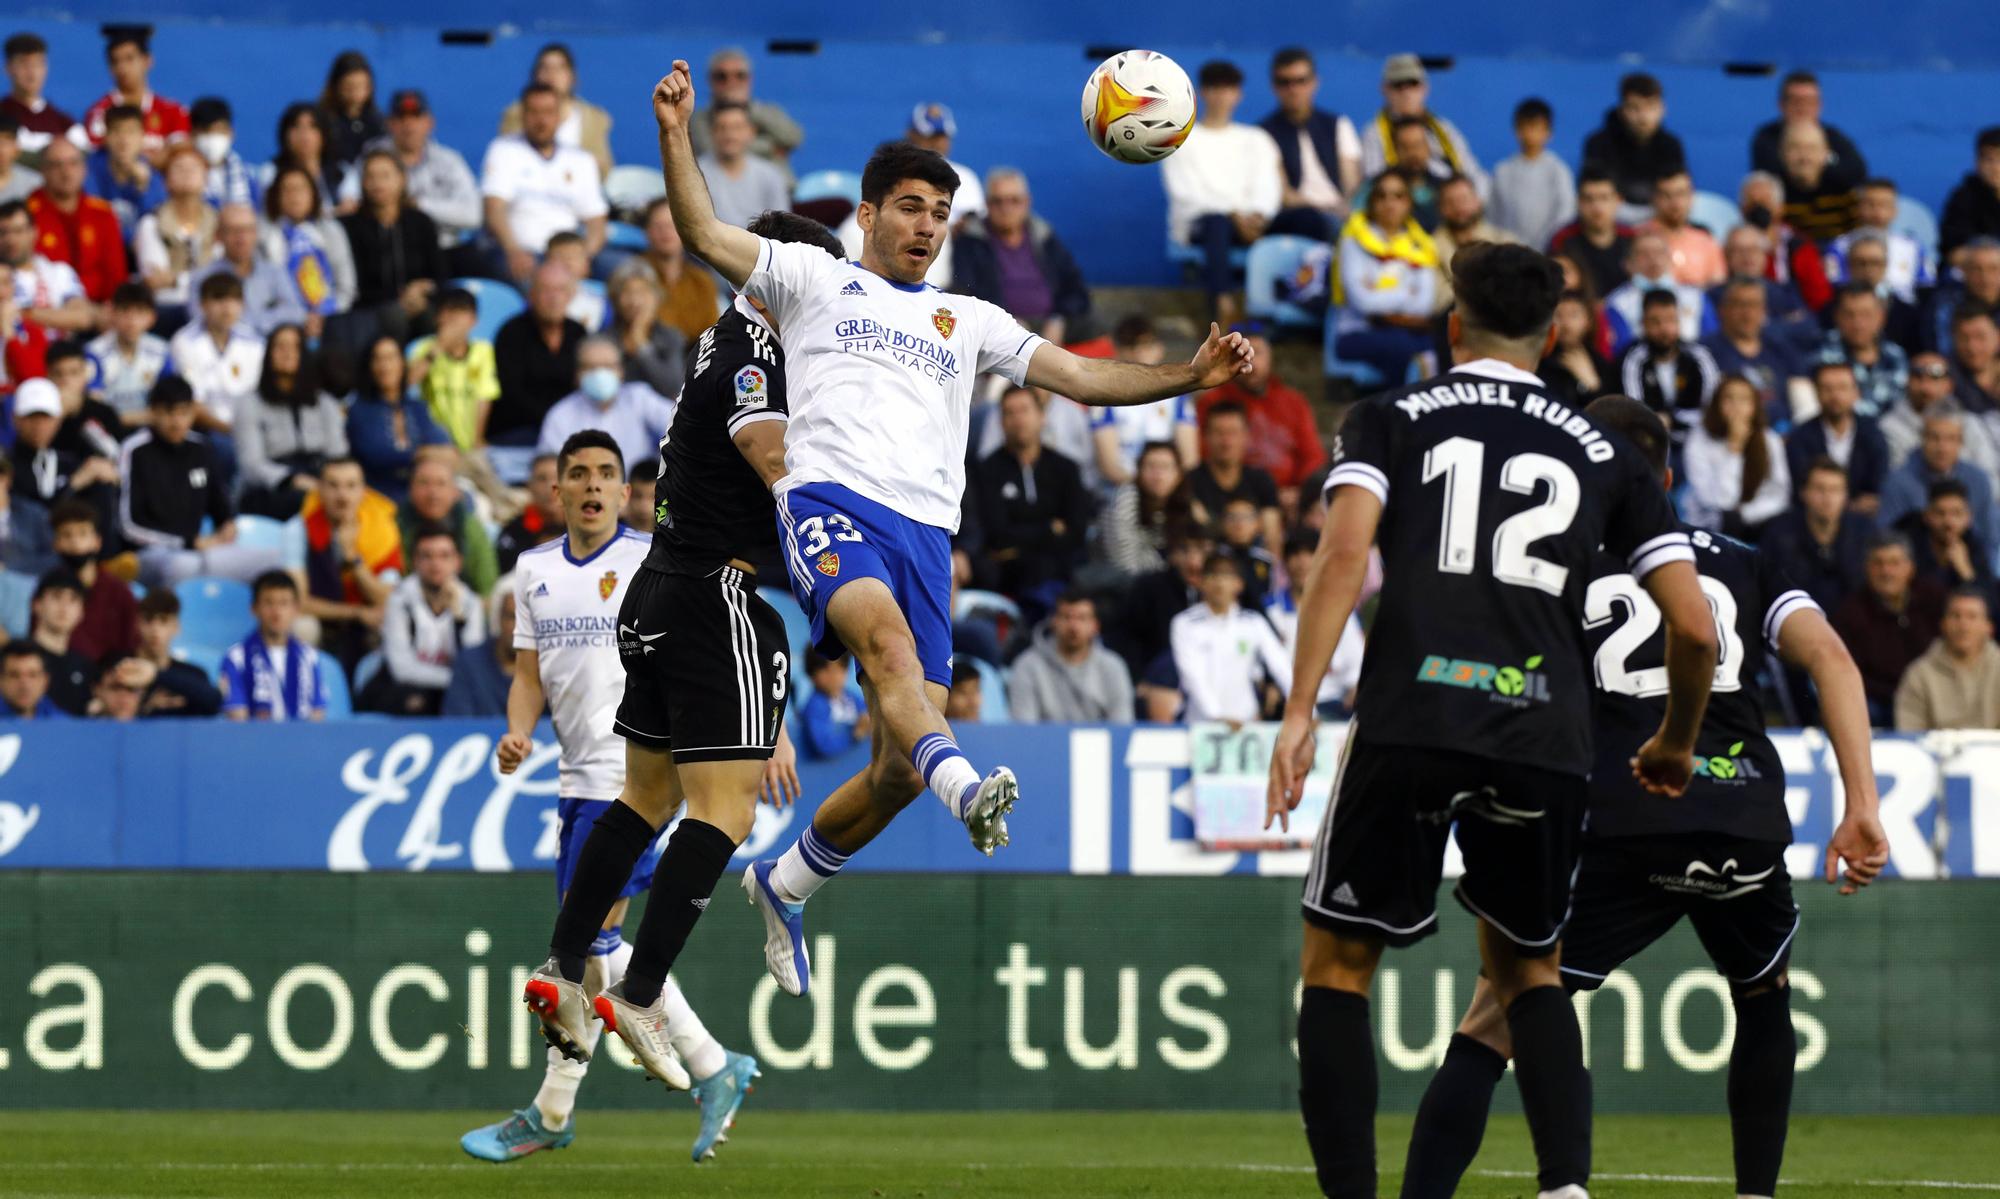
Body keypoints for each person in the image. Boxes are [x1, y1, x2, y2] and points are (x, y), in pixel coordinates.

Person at [653, 60, 1253, 974]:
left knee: (897, 770)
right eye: (908, 207)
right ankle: (970, 788)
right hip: (830, 506)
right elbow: (700, 228)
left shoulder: (969, 318)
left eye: (940, 214)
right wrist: (675, 130)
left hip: (927, 539)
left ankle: (786, 882)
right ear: (868, 215)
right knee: (888, 654)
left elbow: (1085, 378)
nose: (926, 226)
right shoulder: (814, 280)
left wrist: (1188, 376)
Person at [1266, 244, 1718, 1199]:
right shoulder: (1607, 451)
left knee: (1339, 968)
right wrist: (1675, 736)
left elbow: (1344, 554)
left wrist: (1300, 706)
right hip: (1542, 732)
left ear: (1452, 323)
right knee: (1530, 970)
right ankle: (1564, 1188)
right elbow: (1692, 624)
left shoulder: (1388, 417)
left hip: (1411, 713)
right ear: (1553, 337)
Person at [1399, 393, 1887, 1199]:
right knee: (1764, 989)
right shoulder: (1741, 557)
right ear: (1665, 476)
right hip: (1743, 820)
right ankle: (1756, 1195)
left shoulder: (1547, 563)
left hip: (1617, 817)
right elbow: (1833, 658)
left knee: (1496, 1015)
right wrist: (1861, 801)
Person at [485, 424, 764, 1163]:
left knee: (586, 949)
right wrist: (518, 732)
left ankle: (551, 1111)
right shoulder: (534, 570)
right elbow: (527, 675)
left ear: (622, 488)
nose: (592, 485)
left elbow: (723, 638)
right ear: (557, 489)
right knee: (593, 951)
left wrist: (773, 727)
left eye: (605, 472)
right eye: (577, 473)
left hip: (637, 782)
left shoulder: (654, 558)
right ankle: (713, 1066)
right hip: (576, 782)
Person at [119, 376, 280, 587]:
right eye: (169, 413)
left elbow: (218, 502)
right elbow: (129, 526)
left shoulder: (200, 448)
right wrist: (187, 542)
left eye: (184, 413)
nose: (177, 422)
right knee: (182, 566)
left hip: (201, 550)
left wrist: (227, 524)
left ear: (193, 413)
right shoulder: (134, 450)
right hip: (152, 553)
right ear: (153, 412)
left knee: (274, 561)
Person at [1161, 59, 1282, 325]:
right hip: (1202, 227)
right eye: (1214, 88)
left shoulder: (1256, 139)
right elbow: (1186, 195)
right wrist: (1233, 213)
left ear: (1238, 94)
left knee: (1307, 220)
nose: (1221, 96)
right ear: (1202, 92)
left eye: (1228, 88)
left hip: (1252, 226)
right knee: (1217, 223)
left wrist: (1257, 216)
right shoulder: (1180, 140)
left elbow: (1268, 186)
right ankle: (1223, 303)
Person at [969, 384, 1091, 616]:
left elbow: (1076, 531)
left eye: (1024, 410)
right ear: (1001, 422)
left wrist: (1019, 539)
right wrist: (1049, 528)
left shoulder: (1066, 469)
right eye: (1009, 413)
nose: (1018, 419)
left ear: (1042, 416)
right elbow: (996, 534)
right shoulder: (986, 471)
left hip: (1062, 567)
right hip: (1009, 574)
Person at [481, 82, 607, 284]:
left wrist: (585, 257)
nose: (541, 120)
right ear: (522, 115)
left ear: (559, 116)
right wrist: (514, 251)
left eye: (548, 112)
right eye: (534, 112)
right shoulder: (503, 150)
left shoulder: (581, 160)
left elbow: (596, 221)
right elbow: (494, 211)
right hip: (524, 254)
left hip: (571, 256)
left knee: (626, 271)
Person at [952, 167, 1091, 344]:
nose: (1006, 208)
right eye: (997, 201)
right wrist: (1007, 322)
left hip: (1052, 327)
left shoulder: (1043, 235)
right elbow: (965, 293)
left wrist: (1059, 319)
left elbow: (1076, 289)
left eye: (1014, 201)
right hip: (1000, 332)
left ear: (1027, 202)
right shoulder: (971, 241)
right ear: (986, 204)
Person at [365, 520, 483, 715]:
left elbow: (472, 664)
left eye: (444, 556)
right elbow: (401, 669)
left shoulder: (470, 604)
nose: (436, 564)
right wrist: (455, 678)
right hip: (405, 689)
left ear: (457, 562)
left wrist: (458, 619)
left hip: (453, 690)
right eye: (427, 556)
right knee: (415, 701)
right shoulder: (400, 600)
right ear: (414, 562)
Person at [296, 456, 400, 674]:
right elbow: (297, 601)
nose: (342, 496)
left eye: (351, 486)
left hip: (367, 622)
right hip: (324, 620)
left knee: (391, 622)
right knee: (301, 627)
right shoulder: (298, 528)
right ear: (320, 490)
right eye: (333, 486)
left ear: (364, 491)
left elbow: (386, 598)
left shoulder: (382, 531)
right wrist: (356, 612)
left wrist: (353, 558)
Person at [1331, 167, 1437, 380]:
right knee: (1401, 347)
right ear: (1371, 201)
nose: (1390, 203)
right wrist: (1406, 293)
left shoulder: (1420, 245)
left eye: (1398, 196)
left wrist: (1379, 297)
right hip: (1357, 332)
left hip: (1408, 331)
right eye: (1382, 195)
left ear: (1408, 203)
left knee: (1445, 344)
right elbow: (1361, 302)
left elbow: (1425, 304)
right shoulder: (1353, 241)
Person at [1197, 321, 1325, 496]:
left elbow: (1313, 457)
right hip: (1228, 498)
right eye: (1240, 354)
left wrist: (1300, 493)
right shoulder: (1211, 402)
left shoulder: (1294, 402)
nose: (1251, 361)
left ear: (1271, 356)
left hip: (1287, 498)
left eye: (1258, 353)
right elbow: (1201, 455)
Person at [236, 323, 348, 519]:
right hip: (273, 486)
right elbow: (251, 464)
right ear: (268, 354)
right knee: (304, 501)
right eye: (280, 347)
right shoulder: (249, 403)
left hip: (321, 477)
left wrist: (331, 483)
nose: (287, 353)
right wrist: (291, 479)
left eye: (294, 347)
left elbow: (337, 452)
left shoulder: (325, 403)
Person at [1833, 531, 1946, 723]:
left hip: (1934, 694)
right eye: (1878, 563)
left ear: (1910, 567)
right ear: (1867, 568)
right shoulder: (1850, 613)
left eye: (1894, 563)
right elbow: (1850, 674)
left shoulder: (1935, 599)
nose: (1886, 572)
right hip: (1880, 703)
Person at [1168, 552, 1288, 724]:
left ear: (1239, 584)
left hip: (1247, 722)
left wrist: (1308, 712)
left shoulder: (1253, 622)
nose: (1219, 582)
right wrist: (1216, 716)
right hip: (1199, 722)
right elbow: (1191, 675)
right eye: (1212, 575)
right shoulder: (1185, 623)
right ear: (1201, 582)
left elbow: (1280, 665)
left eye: (1226, 575)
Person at [358, 90, 481, 256]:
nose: (409, 125)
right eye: (401, 118)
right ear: (389, 123)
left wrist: (419, 205)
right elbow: (352, 201)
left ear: (429, 122)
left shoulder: (449, 161)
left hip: (443, 248)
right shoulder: (372, 155)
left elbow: (473, 215)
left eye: (416, 116)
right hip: (385, 249)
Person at [1258, 47, 1363, 239]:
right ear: (1274, 87)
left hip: (1340, 213)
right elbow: (1284, 194)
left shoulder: (1339, 125)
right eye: (1285, 82)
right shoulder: (1263, 133)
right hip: (1297, 217)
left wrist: (1345, 208)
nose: (1293, 89)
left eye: (1301, 81)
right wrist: (1323, 208)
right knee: (1310, 220)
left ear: (1315, 82)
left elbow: (1352, 183)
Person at [341, 149, 444, 345]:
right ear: (362, 183)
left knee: (432, 317)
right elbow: (356, 285)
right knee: (394, 316)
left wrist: (423, 287)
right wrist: (400, 298)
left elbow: (440, 274)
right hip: (372, 308)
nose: (377, 183)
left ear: (402, 179)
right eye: (370, 176)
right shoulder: (350, 227)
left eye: (385, 176)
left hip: (419, 303)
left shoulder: (421, 222)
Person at [536, 334, 676, 471]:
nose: (600, 374)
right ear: (577, 374)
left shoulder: (639, 398)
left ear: (621, 371)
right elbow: (549, 468)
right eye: (590, 367)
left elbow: (681, 427)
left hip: (640, 490)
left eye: (608, 366)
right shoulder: (560, 415)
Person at [1088, 315, 1198, 488]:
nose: (1138, 353)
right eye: (1130, 345)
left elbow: (1190, 459)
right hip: (1120, 491)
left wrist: (1164, 488)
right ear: (1118, 351)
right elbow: (1109, 467)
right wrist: (1146, 490)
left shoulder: (1179, 396)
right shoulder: (1103, 397)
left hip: (1169, 490)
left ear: (1159, 348)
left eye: (1146, 345)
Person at [1358, 54, 1487, 199]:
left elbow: (1472, 173)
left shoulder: (1444, 129)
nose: (1406, 92)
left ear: (1424, 88)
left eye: (1412, 83)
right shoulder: (1374, 134)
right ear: (1385, 89)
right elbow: (1376, 183)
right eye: (1398, 85)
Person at [1682, 374, 1792, 537]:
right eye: (1729, 399)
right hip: (1709, 524)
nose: (1736, 406)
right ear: (1717, 404)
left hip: (1755, 521)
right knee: (1727, 521)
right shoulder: (1698, 439)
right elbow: (1720, 502)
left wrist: (1746, 514)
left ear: (1755, 406)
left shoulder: (1770, 440)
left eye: (1744, 400)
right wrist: (1734, 448)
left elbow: (1779, 495)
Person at [492, 261, 586, 445]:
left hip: (571, 427)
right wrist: (556, 420)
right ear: (531, 295)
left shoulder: (578, 333)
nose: (554, 298)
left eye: (560, 290)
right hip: (520, 429)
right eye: (546, 290)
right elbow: (512, 393)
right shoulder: (511, 332)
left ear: (571, 296)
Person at [1005, 591, 1134, 723]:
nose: (1074, 627)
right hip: (1046, 742)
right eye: (1066, 617)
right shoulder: (1027, 665)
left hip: (1098, 743)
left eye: (1082, 618)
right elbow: (1023, 726)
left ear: (1095, 626)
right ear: (1054, 621)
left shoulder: (1113, 666)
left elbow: (1122, 725)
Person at [1879, 401, 1999, 541]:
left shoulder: (1979, 480)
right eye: (1934, 438)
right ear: (1922, 438)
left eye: (1950, 439)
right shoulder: (1897, 483)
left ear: (1961, 442)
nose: (1942, 448)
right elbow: (1885, 539)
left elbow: (1990, 539)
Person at [262, 164, 356, 341]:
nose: (294, 196)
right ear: (276, 197)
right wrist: (299, 317)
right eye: (287, 190)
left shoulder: (330, 230)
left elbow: (346, 287)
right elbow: (264, 290)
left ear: (313, 194)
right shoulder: (265, 235)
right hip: (283, 321)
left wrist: (323, 314)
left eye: (300, 189)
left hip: (331, 317)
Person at [28, 137, 128, 303]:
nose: (66, 172)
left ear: (84, 169)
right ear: (43, 171)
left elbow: (116, 275)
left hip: (100, 311)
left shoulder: (103, 214)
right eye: (57, 165)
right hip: (47, 311)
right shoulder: (27, 215)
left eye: (73, 163)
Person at [219, 570, 328, 721]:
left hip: (303, 741)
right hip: (255, 742)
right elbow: (238, 719)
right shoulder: (236, 657)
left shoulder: (309, 656)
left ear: (296, 609)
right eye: (269, 603)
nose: (277, 612)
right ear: (254, 608)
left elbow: (317, 714)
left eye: (284, 603)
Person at [1615, 287, 1722, 441]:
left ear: (1679, 321)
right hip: (1650, 442)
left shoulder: (1699, 356)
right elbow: (1635, 412)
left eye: (1670, 320)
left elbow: (1711, 410)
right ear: (1643, 324)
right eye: (1655, 322)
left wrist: (1672, 419)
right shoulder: (1632, 359)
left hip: (1696, 440)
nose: (1664, 329)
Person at [497, 44, 614, 180]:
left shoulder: (595, 118)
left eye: (559, 68)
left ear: (572, 77)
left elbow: (604, 169)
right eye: (545, 68)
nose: (551, 74)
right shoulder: (516, 114)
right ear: (535, 75)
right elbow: (507, 162)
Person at [167, 271, 263, 437]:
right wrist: (232, 430)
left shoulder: (254, 342)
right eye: (219, 299)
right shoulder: (185, 342)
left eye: (234, 300)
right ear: (202, 304)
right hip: (209, 429)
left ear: (243, 305)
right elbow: (192, 404)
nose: (227, 308)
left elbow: (263, 394)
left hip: (251, 426)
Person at [187, 203, 306, 337]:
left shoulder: (274, 272)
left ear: (256, 234)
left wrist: (245, 323)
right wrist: (269, 316)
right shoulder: (203, 277)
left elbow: (297, 313)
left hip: (269, 351)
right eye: (233, 231)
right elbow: (197, 321)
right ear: (218, 236)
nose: (241, 238)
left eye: (248, 230)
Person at [1788, 359, 1888, 516]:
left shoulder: (1873, 434)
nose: (1835, 396)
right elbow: (1801, 490)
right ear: (1817, 393)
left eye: (1842, 388)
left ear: (1856, 393)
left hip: (1862, 522)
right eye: (1827, 388)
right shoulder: (1800, 437)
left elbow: (1877, 491)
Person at [1895, 586, 2000, 730]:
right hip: (1934, 751)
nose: (1963, 625)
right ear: (1943, 624)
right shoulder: (1918, 674)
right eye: (1956, 616)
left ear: (1989, 627)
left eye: (1972, 616)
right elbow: (1909, 733)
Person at [1702, 274, 1802, 425]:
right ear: (1722, 310)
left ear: (1763, 311)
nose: (1747, 314)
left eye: (1754, 305)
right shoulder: (1705, 352)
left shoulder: (1781, 349)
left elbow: (1803, 404)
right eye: (1739, 305)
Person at [1187, 400, 1284, 554]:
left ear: (1246, 436)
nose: (1227, 442)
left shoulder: (1262, 481)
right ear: (1205, 436)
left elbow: (1272, 538)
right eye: (1219, 433)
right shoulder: (1190, 482)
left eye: (1233, 433)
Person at [398, 449, 498, 597]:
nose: (433, 493)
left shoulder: (470, 528)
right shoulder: (394, 525)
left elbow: (488, 590)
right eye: (424, 483)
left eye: (441, 484)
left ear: (456, 492)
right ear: (410, 489)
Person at [131, 144, 215, 318]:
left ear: (206, 178)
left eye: (193, 167)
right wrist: (200, 278)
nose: (187, 173)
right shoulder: (151, 223)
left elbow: (220, 276)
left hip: (212, 309)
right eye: (178, 168)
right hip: (166, 311)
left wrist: (175, 279)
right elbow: (155, 281)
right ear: (165, 180)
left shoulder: (219, 224)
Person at [1886, 351, 2000, 479]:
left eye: (1935, 377)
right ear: (1907, 382)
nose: (1926, 386)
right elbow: (1898, 480)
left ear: (1949, 385)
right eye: (1918, 376)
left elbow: (1989, 475)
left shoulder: (1970, 422)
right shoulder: (1889, 427)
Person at [1580, 72, 1686, 210]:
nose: (1643, 117)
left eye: (1650, 107)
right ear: (1622, 110)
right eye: (1635, 108)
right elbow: (1593, 195)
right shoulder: (1597, 143)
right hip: (1613, 217)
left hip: (1658, 218)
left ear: (1662, 109)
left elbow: (1677, 191)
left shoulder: (1672, 145)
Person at [47, 498, 136, 662]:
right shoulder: (45, 589)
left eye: (82, 533)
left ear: (97, 541)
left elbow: (131, 644)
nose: (75, 542)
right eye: (67, 534)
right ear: (56, 543)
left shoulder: (119, 591)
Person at [689, 47, 804, 170]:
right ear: (711, 80)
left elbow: (794, 137)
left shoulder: (769, 111)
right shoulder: (699, 119)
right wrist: (772, 147)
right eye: (722, 76)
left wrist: (749, 108)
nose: (731, 82)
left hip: (778, 185)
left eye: (740, 75)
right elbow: (714, 151)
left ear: (749, 79)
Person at [1825, 179, 1935, 304]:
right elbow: (1835, 288)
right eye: (1870, 204)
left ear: (1895, 210)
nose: (1877, 213)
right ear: (1858, 208)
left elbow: (1926, 289)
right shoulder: (1839, 246)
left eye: (1884, 205)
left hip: (1903, 316)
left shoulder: (1912, 248)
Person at [1603, 230, 1717, 351]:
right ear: (1628, 264)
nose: (1653, 259)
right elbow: (1621, 348)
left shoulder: (1696, 297)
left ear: (1670, 259)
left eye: (1659, 253)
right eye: (1643, 254)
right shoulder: (1617, 303)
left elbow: (1711, 340)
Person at [81, 30, 187, 158]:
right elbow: (99, 157)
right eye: (115, 61)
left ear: (148, 61)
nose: (122, 68)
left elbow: (181, 152)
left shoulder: (173, 111)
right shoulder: (99, 112)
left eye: (129, 59)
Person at [1489, 98, 1574, 253]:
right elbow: (1494, 214)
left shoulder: (1558, 170)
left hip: (1548, 249)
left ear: (1548, 132)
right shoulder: (1503, 170)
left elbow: (1564, 213)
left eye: (1536, 127)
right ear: (1516, 129)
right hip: (1510, 250)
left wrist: (1548, 243)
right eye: (1524, 126)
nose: (1530, 133)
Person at [1096, 440, 1191, 579]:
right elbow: (1125, 565)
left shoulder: (1185, 501)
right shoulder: (1126, 497)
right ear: (1138, 471)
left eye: (1165, 467)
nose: (1158, 475)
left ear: (1179, 475)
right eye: (1151, 466)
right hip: (1121, 585)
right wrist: (1167, 566)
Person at [1, 196, 91, 334]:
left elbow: (82, 317)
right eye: (3, 233)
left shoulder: (59, 272)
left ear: (34, 232)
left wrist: (22, 313)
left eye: (18, 231)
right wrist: (56, 316)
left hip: (58, 352)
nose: (11, 240)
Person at [1817, 284, 1908, 419]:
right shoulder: (1819, 356)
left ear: (1881, 317)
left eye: (1866, 315)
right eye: (1849, 315)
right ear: (1836, 317)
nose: (1858, 324)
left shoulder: (1896, 356)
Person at [635, 197, 718, 344]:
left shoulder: (702, 280)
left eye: (672, 225)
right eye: (658, 226)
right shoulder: (633, 277)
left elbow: (711, 335)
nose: (665, 232)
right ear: (647, 231)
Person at [697, 102, 790, 232]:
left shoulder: (770, 174)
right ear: (712, 132)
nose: (729, 135)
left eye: (737, 127)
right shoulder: (694, 174)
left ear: (751, 132)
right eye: (722, 127)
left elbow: (781, 225)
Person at [131, 588, 222, 717]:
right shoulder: (124, 668)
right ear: (137, 624)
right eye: (148, 620)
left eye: (163, 621)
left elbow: (213, 703)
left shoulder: (193, 674)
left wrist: (156, 675)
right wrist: (146, 707)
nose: (155, 630)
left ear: (176, 626)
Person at [84, 280, 166, 422]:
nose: (132, 321)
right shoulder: (94, 353)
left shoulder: (161, 351)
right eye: (125, 311)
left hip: (150, 431)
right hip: (110, 432)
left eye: (140, 312)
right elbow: (95, 410)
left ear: (152, 318)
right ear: (112, 313)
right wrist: (149, 417)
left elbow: (169, 402)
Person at [1547, 168, 1635, 296]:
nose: (1596, 207)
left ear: (1619, 201)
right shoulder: (1562, 240)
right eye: (1588, 199)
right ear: (1578, 202)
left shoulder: (1632, 238)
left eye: (1604, 198)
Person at [605, 261, 685, 400]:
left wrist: (642, 345)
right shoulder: (604, 339)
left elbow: (672, 386)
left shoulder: (671, 337)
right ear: (616, 300)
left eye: (642, 292)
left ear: (656, 298)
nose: (634, 301)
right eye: (627, 292)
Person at [441, 579, 518, 718]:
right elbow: (456, 724)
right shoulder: (469, 663)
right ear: (498, 618)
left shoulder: (548, 667)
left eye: (529, 620)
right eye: (512, 617)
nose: (520, 628)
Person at [1, 33, 82, 162]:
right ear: (8, 68)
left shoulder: (64, 122)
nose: (31, 73)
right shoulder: (3, 114)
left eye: (38, 64)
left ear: (46, 69)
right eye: (24, 64)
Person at [81, 105, 160, 236]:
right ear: (105, 136)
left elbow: (156, 225)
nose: (124, 140)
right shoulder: (87, 170)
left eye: (131, 132)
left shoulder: (151, 175)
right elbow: (89, 217)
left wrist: (143, 188)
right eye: (116, 131)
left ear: (142, 137)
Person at [1777, 122, 1857, 243]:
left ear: (1826, 153)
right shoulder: (1771, 197)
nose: (1804, 157)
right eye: (1795, 148)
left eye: (1811, 148)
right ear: (1781, 153)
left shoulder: (1847, 194)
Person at [1646, 168, 1724, 288]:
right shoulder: (1640, 239)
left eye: (1681, 194)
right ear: (1654, 199)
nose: (1675, 203)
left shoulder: (1706, 242)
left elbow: (1717, 288)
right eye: (1667, 195)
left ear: (1691, 197)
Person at [262, 102, 346, 214]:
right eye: (296, 126)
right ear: (285, 135)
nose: (304, 134)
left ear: (324, 134)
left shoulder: (343, 172)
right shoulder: (270, 172)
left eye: (312, 127)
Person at [317, 51, 383, 179]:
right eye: (349, 87)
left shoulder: (377, 122)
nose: (355, 93)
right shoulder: (323, 121)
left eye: (361, 86)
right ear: (336, 87)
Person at [1537, 290, 1610, 405]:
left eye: (1573, 315)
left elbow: (1607, 409)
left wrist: (1591, 383)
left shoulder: (1600, 362)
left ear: (1588, 321)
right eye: (1558, 315)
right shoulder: (1539, 360)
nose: (1566, 323)